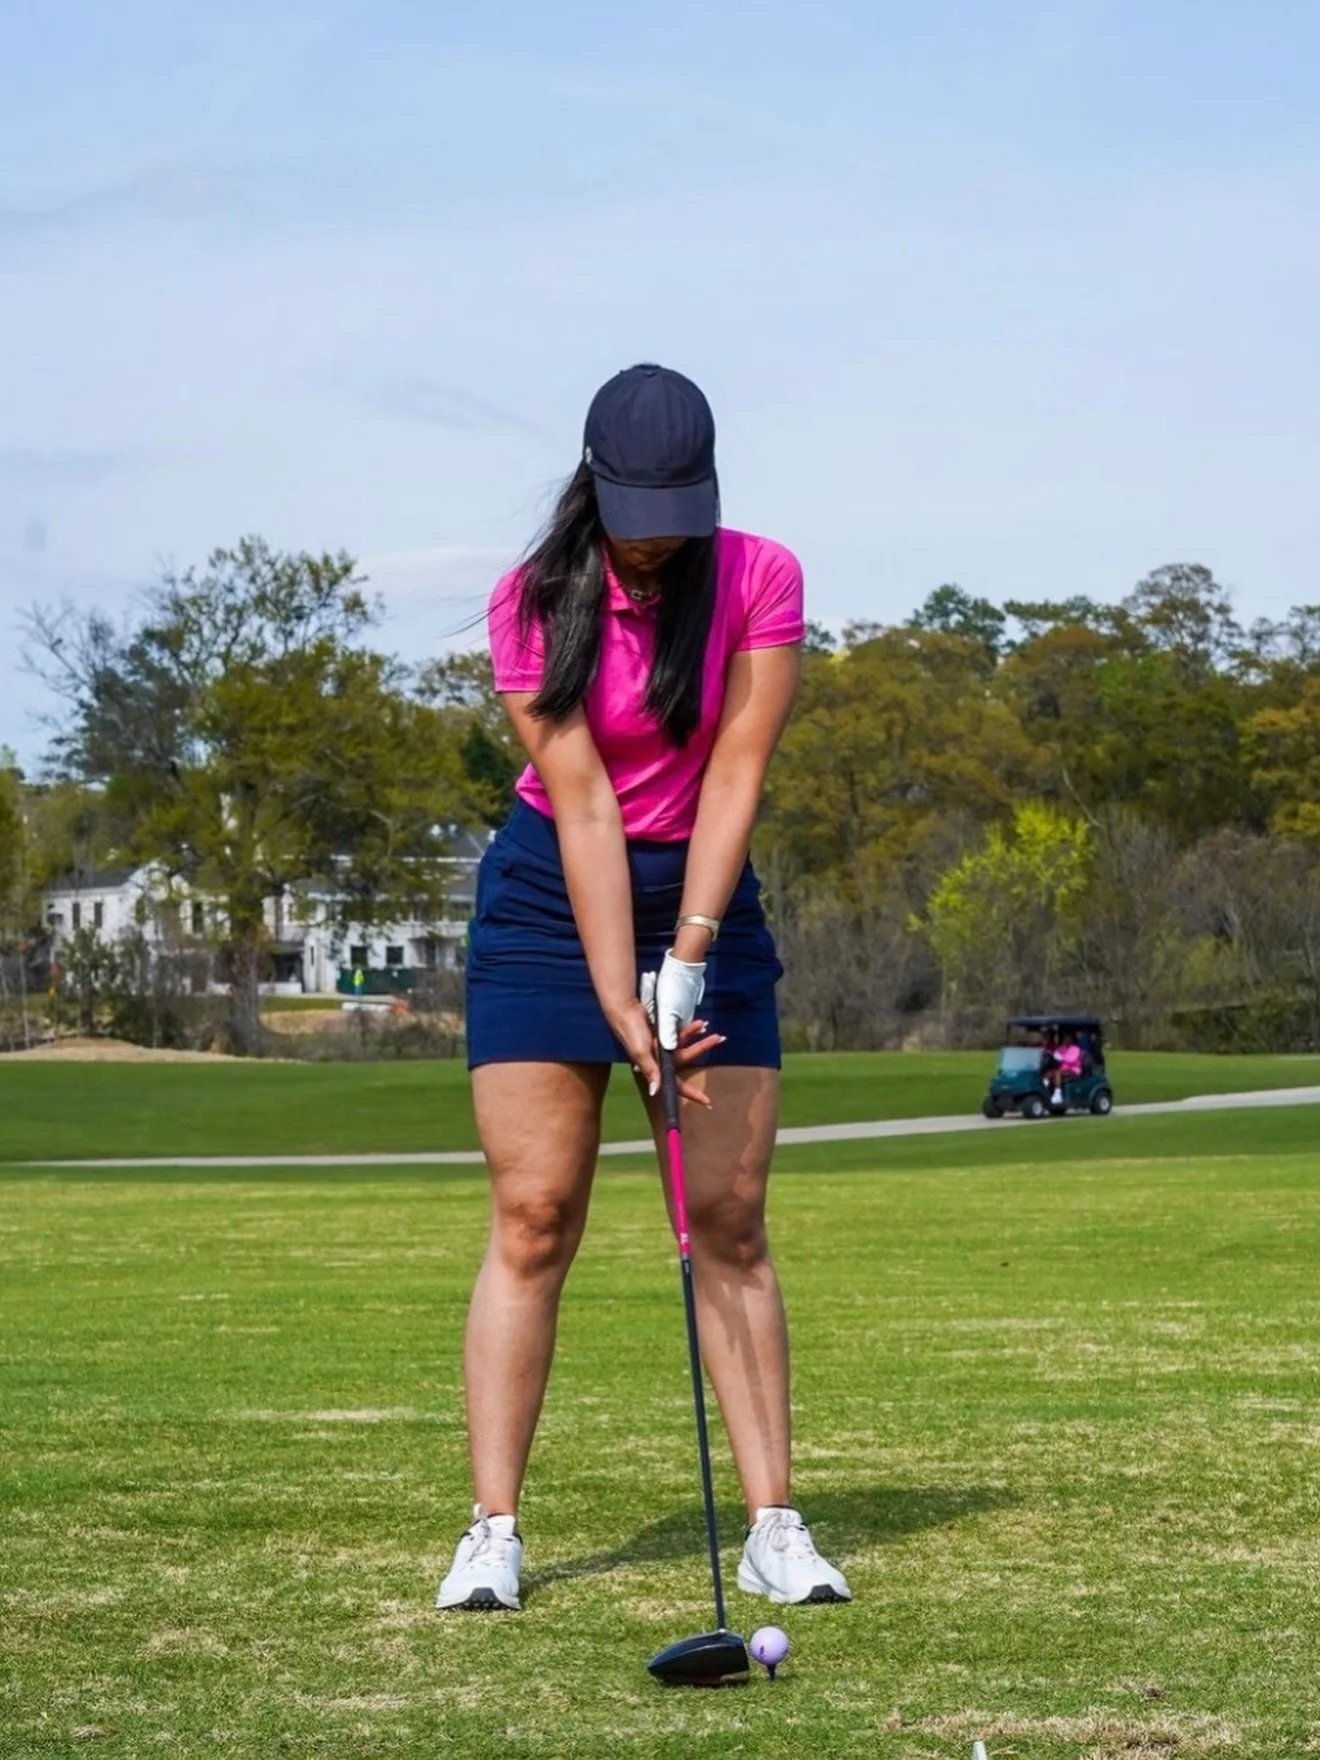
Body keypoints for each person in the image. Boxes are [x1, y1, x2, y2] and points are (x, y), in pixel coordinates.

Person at [436, 364, 851, 1613]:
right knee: (535, 1213)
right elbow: (584, 802)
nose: (660, 530)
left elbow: (735, 770)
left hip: (707, 890)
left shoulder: (761, 575)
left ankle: (774, 1522)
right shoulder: (532, 600)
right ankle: (493, 1530)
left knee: (726, 1214)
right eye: (639, 505)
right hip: (548, 902)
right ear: (596, 486)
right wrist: (622, 988)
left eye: (681, 503)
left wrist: (692, 951)